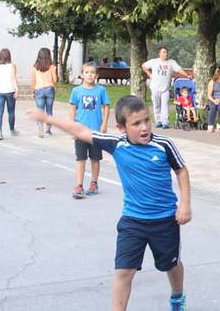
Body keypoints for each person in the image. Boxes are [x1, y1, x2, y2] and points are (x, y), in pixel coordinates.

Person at [27, 95, 192, 311]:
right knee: (123, 272)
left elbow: (181, 170)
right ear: (122, 128)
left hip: (164, 220)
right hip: (133, 220)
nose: (144, 128)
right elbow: (80, 130)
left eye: (146, 120)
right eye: (136, 123)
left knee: (170, 264)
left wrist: (185, 204)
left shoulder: (163, 144)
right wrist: (47, 118)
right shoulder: (116, 144)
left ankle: (177, 296)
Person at [69, 63, 111, 199]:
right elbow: (72, 109)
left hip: (95, 131)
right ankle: (79, 185)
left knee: (95, 158)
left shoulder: (101, 91)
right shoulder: (76, 91)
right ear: (82, 75)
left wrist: (104, 124)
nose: (90, 75)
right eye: (87, 72)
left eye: (92, 73)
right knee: (80, 158)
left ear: (97, 76)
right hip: (81, 131)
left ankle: (94, 183)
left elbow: (106, 107)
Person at [142, 47, 189, 129]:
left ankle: (165, 122)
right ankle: (158, 121)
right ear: (159, 53)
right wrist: (149, 74)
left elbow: (179, 70)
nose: (165, 54)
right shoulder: (154, 61)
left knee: (165, 105)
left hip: (165, 88)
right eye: (163, 52)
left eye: (166, 52)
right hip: (155, 87)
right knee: (156, 105)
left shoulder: (171, 62)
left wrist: (187, 75)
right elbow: (143, 66)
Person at [31, 47, 58, 137]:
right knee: (49, 110)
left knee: (40, 110)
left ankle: (40, 127)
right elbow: (55, 80)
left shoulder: (35, 67)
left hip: (39, 89)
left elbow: (33, 81)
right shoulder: (52, 67)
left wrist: (32, 91)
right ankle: (48, 130)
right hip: (49, 89)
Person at [0, 48, 20, 140]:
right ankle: (12, 130)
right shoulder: (12, 65)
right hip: (9, 90)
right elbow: (13, 77)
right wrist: (17, 90)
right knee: (11, 112)